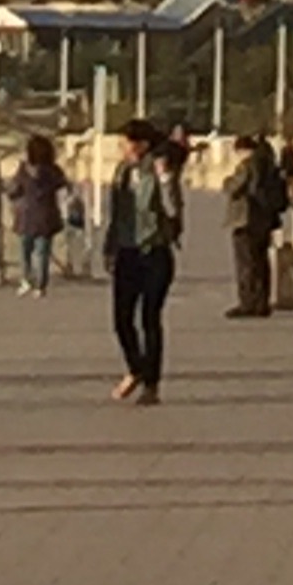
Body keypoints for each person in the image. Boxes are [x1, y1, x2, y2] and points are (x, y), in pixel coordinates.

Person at [105, 120, 183, 403]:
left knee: (150, 317)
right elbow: (116, 214)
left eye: (125, 142)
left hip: (155, 251)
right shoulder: (122, 172)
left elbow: (173, 210)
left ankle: (152, 384)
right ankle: (136, 367)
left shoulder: (159, 169)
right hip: (127, 252)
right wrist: (109, 248)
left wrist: (166, 180)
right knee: (121, 319)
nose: (122, 147)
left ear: (142, 145)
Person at [223, 132, 290, 317]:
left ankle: (247, 302)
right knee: (261, 262)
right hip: (264, 219)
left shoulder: (248, 166)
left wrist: (227, 182)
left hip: (246, 219)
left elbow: (234, 187)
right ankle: (262, 302)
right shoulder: (269, 164)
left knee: (246, 263)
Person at [7, 134, 69, 296]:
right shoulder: (54, 171)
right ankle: (40, 285)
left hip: (25, 216)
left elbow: (13, 190)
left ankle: (26, 279)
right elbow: (64, 189)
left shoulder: (23, 170)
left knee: (25, 251)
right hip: (47, 216)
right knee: (42, 253)